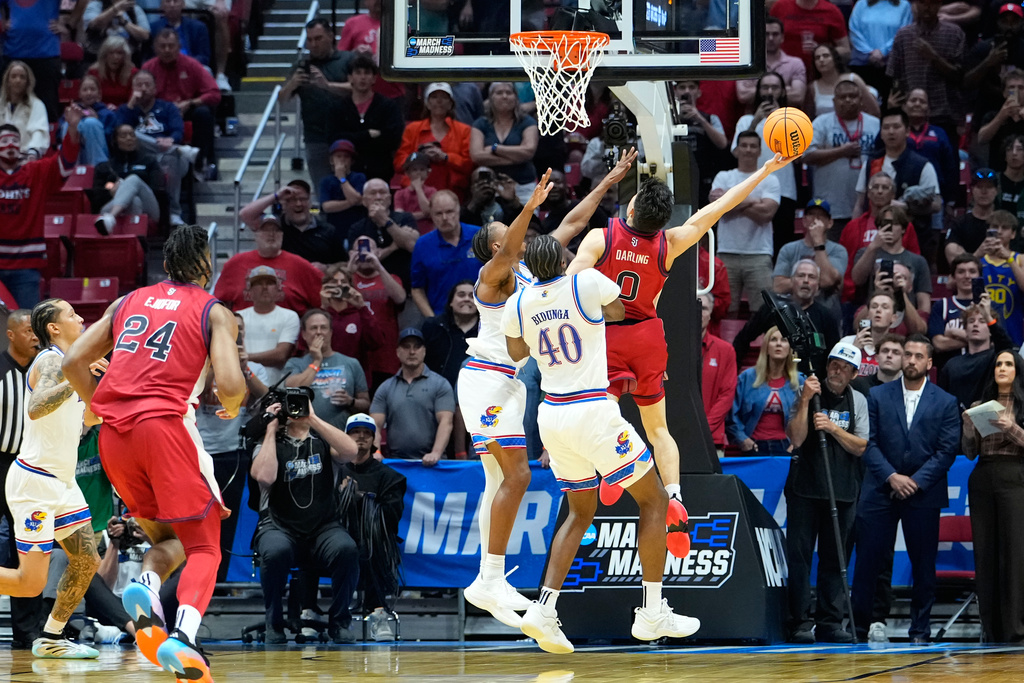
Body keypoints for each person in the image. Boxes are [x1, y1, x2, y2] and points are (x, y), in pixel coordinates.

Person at [567, 150, 796, 541]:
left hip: (609, 336)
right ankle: (674, 494)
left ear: (634, 207)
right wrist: (765, 170)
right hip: (650, 337)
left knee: (601, 414)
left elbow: (569, 285)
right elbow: (722, 205)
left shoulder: (601, 237)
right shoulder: (670, 243)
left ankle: (609, 472)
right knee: (659, 429)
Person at [61, 225, 247, 682]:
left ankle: (145, 585)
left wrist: (98, 407)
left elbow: (71, 362)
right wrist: (232, 405)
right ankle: (183, 636)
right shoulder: (215, 310)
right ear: (208, 266)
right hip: (164, 429)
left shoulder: (127, 301)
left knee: (171, 541)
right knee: (205, 545)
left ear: (165, 265)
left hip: (114, 439)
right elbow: (231, 384)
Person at [501, 235, 700, 654]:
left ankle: (544, 608)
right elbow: (616, 311)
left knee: (579, 512)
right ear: (562, 259)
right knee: (655, 501)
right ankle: (651, 611)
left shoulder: (518, 303)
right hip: (593, 410)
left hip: (552, 418)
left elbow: (517, 352)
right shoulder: (586, 282)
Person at [0, 299, 105, 659]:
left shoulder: (74, 364)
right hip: (35, 483)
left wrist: (99, 388)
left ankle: (51, 637)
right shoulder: (50, 360)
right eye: (71, 314)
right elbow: (37, 404)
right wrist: (78, 379)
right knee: (30, 584)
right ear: (54, 328)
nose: (81, 317)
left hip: (63, 482)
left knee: (87, 560)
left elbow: (87, 420)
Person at [851, 334, 960, 643]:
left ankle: (920, 631)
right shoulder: (878, 396)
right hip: (880, 490)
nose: (911, 360)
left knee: (924, 566)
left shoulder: (946, 401)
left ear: (929, 363)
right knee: (867, 563)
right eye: (907, 354)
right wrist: (892, 477)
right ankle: (858, 630)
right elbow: (868, 443)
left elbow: (947, 450)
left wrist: (915, 481)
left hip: (924, 493)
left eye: (917, 356)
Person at [249, 393, 360, 644]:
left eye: (300, 403)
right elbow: (265, 477)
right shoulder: (268, 443)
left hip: (322, 526)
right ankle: (273, 622)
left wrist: (313, 418)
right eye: (290, 406)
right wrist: (270, 429)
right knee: (275, 551)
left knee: (347, 549)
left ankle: (339, 622)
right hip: (279, 525)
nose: (294, 410)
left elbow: (350, 451)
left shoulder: (322, 439)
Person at [785, 341, 868, 644]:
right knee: (799, 557)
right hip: (805, 488)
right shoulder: (807, 391)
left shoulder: (858, 400)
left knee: (836, 558)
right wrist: (806, 400)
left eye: (845, 368)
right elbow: (795, 437)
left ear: (854, 374)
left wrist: (833, 429)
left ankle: (830, 622)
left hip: (843, 489)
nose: (837, 371)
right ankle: (800, 622)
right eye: (834, 364)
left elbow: (861, 446)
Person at [195, 311, 268, 582]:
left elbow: (267, 398)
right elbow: (200, 392)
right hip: (204, 453)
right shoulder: (200, 364)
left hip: (237, 452)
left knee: (231, 523)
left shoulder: (252, 367)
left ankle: (222, 580)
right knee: (204, 523)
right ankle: (203, 579)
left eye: (239, 329)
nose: (235, 333)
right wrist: (217, 359)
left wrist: (244, 368)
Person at [962, 350, 1024, 644]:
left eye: (1008, 364)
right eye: (998, 364)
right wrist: (968, 428)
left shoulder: (1022, 405)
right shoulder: (980, 405)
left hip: (1016, 477)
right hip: (983, 476)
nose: (1002, 368)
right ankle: (992, 628)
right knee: (985, 554)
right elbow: (970, 452)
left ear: (1017, 370)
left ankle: (1016, 628)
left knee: (1014, 554)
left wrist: (1010, 427)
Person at [0, 106, 82, 309]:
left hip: (27, 266)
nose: (10, 145)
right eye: (4, 141)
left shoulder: (36, 171)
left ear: (22, 145)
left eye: (15, 141)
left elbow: (65, 164)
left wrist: (72, 128)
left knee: (30, 328)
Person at [0, 310, 44, 648]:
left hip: (29, 466)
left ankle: (26, 632)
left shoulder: (46, 371)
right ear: (11, 334)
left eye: (36, 331)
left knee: (28, 548)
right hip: (1, 462)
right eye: (28, 330)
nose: (34, 336)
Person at [280, 18, 354, 194]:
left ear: (330, 36)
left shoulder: (348, 59)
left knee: (351, 189)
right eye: (310, 40)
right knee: (324, 193)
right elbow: (281, 99)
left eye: (318, 38)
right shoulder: (301, 66)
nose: (313, 44)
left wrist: (327, 85)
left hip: (348, 134)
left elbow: (358, 88)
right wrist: (293, 83)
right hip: (315, 138)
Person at [711, 131, 782, 313]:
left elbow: (767, 212)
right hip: (727, 253)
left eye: (753, 146)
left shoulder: (770, 179)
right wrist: (753, 200)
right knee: (725, 310)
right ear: (736, 150)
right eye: (744, 145)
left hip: (759, 254)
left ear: (760, 151)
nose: (748, 150)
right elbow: (717, 208)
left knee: (763, 312)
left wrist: (731, 199)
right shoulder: (723, 176)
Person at [116, 69, 194, 226]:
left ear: (155, 88)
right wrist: (131, 105)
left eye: (147, 85)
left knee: (172, 159)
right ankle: (179, 149)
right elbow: (119, 132)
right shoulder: (126, 110)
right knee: (131, 134)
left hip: (168, 155)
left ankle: (174, 213)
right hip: (139, 155)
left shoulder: (168, 108)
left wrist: (171, 140)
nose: (143, 89)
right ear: (132, 88)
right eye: (139, 85)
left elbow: (178, 130)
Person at [803, 80, 880, 235]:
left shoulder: (875, 124)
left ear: (861, 99)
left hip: (869, 208)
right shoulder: (821, 123)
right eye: (842, 97)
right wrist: (841, 151)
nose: (847, 100)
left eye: (852, 96)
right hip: (831, 207)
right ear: (834, 101)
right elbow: (806, 155)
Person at [142, 28, 221, 178]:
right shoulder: (148, 68)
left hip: (185, 110)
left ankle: (201, 162)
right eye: (162, 46)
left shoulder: (192, 65)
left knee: (203, 113)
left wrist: (191, 103)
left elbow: (214, 93)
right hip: (158, 112)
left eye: (171, 46)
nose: (167, 50)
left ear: (179, 47)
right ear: (155, 48)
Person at [734, 259, 842, 368]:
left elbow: (833, 355)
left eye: (811, 277)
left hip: (811, 380)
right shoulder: (772, 309)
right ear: (792, 281)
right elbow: (742, 339)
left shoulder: (827, 317)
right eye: (801, 276)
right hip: (774, 378)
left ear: (818, 285)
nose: (806, 281)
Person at [370, 328, 455, 465]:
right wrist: (376, 452)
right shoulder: (385, 387)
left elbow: (446, 421)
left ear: (424, 351)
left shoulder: (440, 384)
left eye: (417, 347)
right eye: (406, 346)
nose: (412, 351)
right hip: (396, 463)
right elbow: (375, 425)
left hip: (433, 464)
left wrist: (436, 453)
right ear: (397, 352)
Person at [885, 0, 964, 145]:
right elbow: (894, 76)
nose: (927, 7)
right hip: (911, 114)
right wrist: (895, 104)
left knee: (947, 164)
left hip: (945, 114)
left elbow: (960, 76)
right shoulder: (904, 35)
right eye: (922, 2)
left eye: (932, 3)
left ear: (939, 4)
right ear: (915, 4)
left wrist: (934, 57)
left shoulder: (954, 33)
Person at [213, 214, 326, 316]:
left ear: (282, 235)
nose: (271, 234)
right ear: (255, 235)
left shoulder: (300, 265)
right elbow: (218, 303)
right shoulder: (235, 264)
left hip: (288, 331)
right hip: (245, 332)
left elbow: (323, 300)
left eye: (276, 231)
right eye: (265, 230)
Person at [733, 73, 798, 250]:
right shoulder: (745, 121)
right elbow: (736, 151)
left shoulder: (792, 119)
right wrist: (755, 121)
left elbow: (799, 153)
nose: (769, 91)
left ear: (783, 91)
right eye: (765, 87)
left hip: (785, 189)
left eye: (774, 88)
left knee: (783, 242)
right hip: (752, 190)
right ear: (758, 91)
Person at [840, 172, 921, 309]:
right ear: (868, 193)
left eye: (885, 188)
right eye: (875, 187)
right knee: (861, 329)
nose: (879, 191)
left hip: (896, 296)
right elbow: (845, 265)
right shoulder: (852, 227)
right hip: (857, 299)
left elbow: (914, 263)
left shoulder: (905, 227)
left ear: (893, 195)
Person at [284, 309, 370, 430]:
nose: (319, 332)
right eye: (313, 328)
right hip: (306, 434)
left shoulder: (351, 363)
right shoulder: (295, 363)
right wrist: (317, 361)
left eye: (323, 328)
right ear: (304, 334)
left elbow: (366, 404)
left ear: (330, 332)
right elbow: (292, 388)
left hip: (341, 433)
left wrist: (351, 401)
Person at [729, 326, 804, 456]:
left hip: (786, 447)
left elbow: (806, 417)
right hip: (754, 446)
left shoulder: (800, 381)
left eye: (784, 340)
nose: (779, 344)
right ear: (766, 347)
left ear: (790, 348)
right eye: (773, 339)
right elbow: (731, 415)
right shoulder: (747, 377)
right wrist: (743, 439)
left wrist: (795, 444)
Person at [393, 82, 474, 198]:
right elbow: (398, 163)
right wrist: (419, 156)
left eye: (444, 97)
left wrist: (445, 157)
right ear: (427, 103)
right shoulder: (412, 129)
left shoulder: (464, 130)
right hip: (416, 193)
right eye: (434, 97)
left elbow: (469, 164)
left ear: (451, 104)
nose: (439, 101)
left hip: (453, 192)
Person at [332, 54, 405, 183]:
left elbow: (393, 139)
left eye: (367, 73)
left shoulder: (387, 106)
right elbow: (335, 138)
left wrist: (354, 138)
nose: (363, 77)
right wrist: (367, 135)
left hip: (380, 172)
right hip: (348, 174)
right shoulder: (339, 107)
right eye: (358, 73)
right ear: (350, 78)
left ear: (374, 78)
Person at [241, 180, 346, 267]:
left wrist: (326, 268)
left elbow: (344, 264)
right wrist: (277, 196)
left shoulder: (328, 230)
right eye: (292, 200)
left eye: (303, 199)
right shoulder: (275, 226)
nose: (298, 204)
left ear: (310, 202)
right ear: (284, 204)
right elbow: (245, 215)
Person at [410, 191, 483, 317]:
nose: (444, 218)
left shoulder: (481, 237)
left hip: (481, 317)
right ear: (431, 215)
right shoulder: (423, 245)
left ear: (458, 211)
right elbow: (417, 289)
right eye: (438, 213)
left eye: (449, 212)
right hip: (441, 318)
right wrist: (432, 320)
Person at [348, 235, 407, 389]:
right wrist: (349, 269)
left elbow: (400, 298)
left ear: (378, 253)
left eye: (369, 249)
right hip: (354, 354)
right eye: (359, 249)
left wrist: (379, 266)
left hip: (385, 357)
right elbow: (336, 303)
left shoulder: (391, 278)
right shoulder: (347, 278)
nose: (364, 253)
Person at [470, 82, 540, 204]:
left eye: (509, 92)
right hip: (490, 187)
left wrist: (495, 148)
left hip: (523, 186)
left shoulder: (527, 122)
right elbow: (477, 156)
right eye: (499, 93)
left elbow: (529, 151)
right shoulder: (480, 124)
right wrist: (517, 158)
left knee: (527, 222)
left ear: (515, 97)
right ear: (490, 98)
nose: (504, 96)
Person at [772, 200, 849, 310]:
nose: (815, 219)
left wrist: (818, 242)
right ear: (804, 221)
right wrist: (812, 281)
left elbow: (826, 281)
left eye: (821, 216)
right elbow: (778, 286)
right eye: (811, 214)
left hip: (826, 311)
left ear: (830, 223)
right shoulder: (788, 249)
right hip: (793, 311)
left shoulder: (838, 250)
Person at [939, 301, 1014, 412]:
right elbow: (942, 399)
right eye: (971, 321)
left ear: (990, 331)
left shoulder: (995, 358)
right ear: (965, 330)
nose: (975, 324)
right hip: (956, 421)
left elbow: (1006, 346)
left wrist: (988, 316)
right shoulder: (951, 364)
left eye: (982, 321)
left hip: (989, 419)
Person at [347, 178, 420, 289]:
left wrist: (385, 221)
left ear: (390, 199)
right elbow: (362, 262)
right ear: (364, 201)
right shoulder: (357, 228)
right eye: (373, 193)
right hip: (374, 289)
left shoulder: (405, 218)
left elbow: (412, 246)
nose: (378, 197)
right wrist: (392, 247)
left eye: (382, 192)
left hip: (409, 284)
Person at [315, 265, 384, 381]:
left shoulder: (360, 315)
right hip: (323, 377)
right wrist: (324, 307)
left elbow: (376, 342)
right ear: (325, 286)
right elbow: (307, 345)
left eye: (343, 282)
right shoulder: (318, 315)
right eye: (334, 281)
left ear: (351, 287)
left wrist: (361, 307)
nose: (339, 285)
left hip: (355, 378)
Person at [92, 124, 163, 235]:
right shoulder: (105, 166)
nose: (129, 138)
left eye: (132, 135)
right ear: (115, 141)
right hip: (111, 204)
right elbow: (99, 190)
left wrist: (131, 188)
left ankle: (111, 218)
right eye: (123, 136)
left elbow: (157, 188)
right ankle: (133, 242)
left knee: (133, 179)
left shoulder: (149, 161)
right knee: (134, 201)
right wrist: (111, 189)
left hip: (148, 206)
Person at [236, 266, 300, 385]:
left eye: (270, 283)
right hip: (242, 385)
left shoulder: (289, 316)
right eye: (259, 283)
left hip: (274, 386)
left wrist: (243, 358)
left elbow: (281, 355)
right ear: (250, 290)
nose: (265, 288)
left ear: (278, 288)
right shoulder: (238, 317)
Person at [735, 17, 808, 110]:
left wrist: (758, 90)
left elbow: (798, 96)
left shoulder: (795, 63)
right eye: (766, 34)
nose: (770, 38)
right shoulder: (748, 63)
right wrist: (784, 89)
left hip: (787, 119)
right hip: (754, 119)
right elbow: (742, 95)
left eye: (775, 34)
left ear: (782, 37)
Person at [848, 0, 913, 98]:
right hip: (863, 63)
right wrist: (870, 52)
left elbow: (903, 32)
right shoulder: (861, 4)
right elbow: (854, 30)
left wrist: (883, 51)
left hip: (892, 66)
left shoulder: (904, 5)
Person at [700, 293, 737, 456]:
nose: (698, 312)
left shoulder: (725, 350)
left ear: (710, 314)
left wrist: (702, 429)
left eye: (704, 308)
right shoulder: (670, 348)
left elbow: (726, 396)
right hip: (675, 436)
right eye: (694, 308)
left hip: (711, 440)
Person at [928, 253, 983, 367]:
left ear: (979, 276)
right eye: (961, 271)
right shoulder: (942, 306)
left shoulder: (990, 306)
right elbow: (939, 344)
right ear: (953, 276)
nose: (967, 276)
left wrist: (955, 333)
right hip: (949, 371)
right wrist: (979, 341)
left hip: (982, 370)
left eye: (972, 271)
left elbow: (996, 342)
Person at [979, 210, 1024, 345]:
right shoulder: (978, 259)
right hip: (982, 329)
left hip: (1013, 327)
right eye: (994, 227)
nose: (999, 231)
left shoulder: (1020, 259)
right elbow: (951, 284)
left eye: (1004, 228)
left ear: (1013, 234)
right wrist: (977, 253)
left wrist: (1009, 259)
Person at [423, 281, 478, 391]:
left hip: (474, 393)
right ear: (450, 302)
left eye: (472, 296)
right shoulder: (433, 326)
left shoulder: (489, 331)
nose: (467, 299)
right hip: (435, 393)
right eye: (461, 295)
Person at [769, 0, 851, 74]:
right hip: (784, 73)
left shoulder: (832, 11)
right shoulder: (780, 7)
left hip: (819, 75)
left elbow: (846, 50)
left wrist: (821, 50)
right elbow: (764, 40)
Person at [806, 44, 879, 119]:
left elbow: (874, 111)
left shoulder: (853, 79)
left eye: (826, 56)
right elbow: (809, 117)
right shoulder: (813, 87)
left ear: (835, 59)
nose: (821, 60)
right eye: (817, 58)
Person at [944, 168, 1000, 265]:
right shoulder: (959, 224)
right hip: (969, 278)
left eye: (989, 187)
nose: (984, 191)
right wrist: (978, 254)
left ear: (996, 191)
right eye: (979, 187)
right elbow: (954, 262)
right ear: (972, 190)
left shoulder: (1004, 223)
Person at [59, 75, 117, 167]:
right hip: (76, 156)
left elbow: (112, 140)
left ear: (99, 93)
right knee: (68, 124)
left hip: (99, 155)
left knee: (91, 123)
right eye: (85, 90)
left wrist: (97, 121)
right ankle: (70, 169)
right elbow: (59, 135)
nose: (89, 93)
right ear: (79, 93)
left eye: (92, 89)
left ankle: (99, 170)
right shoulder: (72, 111)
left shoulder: (107, 114)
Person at [0, 62, 50, 161]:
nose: (18, 80)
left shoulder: (37, 105)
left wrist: (32, 151)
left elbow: (39, 132)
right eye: (13, 76)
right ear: (7, 81)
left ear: (27, 82)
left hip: (25, 157)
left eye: (22, 77)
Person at [977, 70, 1024, 172]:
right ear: (1004, 93)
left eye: (1021, 88)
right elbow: (981, 139)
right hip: (1000, 173)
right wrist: (1001, 116)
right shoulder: (992, 115)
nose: (1016, 91)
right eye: (1012, 87)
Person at [318, 139, 366, 238]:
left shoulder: (359, 177)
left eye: (346, 156)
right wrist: (351, 202)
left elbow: (359, 199)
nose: (342, 159)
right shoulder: (326, 181)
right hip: (334, 228)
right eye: (338, 156)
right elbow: (326, 207)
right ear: (332, 160)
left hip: (357, 227)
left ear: (351, 161)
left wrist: (342, 178)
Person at [150, 0, 212, 69]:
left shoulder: (199, 27)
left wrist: (184, 63)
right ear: (162, 6)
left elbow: (204, 57)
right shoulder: (153, 28)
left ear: (183, 5)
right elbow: (149, 56)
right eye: (168, 1)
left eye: (176, 1)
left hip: (191, 67)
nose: (172, 5)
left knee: (206, 70)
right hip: (163, 67)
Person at [83, 0, 152, 61]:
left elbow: (145, 36)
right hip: (98, 57)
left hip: (129, 58)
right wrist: (116, 9)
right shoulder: (95, 5)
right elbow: (95, 25)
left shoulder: (135, 9)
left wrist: (125, 23)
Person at [87, 35, 139, 108]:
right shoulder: (93, 72)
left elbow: (134, 100)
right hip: (99, 112)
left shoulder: (134, 73)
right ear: (105, 55)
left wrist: (119, 109)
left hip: (126, 112)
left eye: (119, 53)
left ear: (125, 56)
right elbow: (88, 98)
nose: (115, 57)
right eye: (111, 53)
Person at [393, 152, 437, 234]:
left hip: (428, 233)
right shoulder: (400, 194)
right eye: (414, 170)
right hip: (408, 233)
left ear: (427, 173)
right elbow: (400, 217)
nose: (418, 172)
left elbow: (429, 211)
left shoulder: (432, 191)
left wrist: (418, 189)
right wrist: (424, 215)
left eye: (422, 169)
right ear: (407, 173)